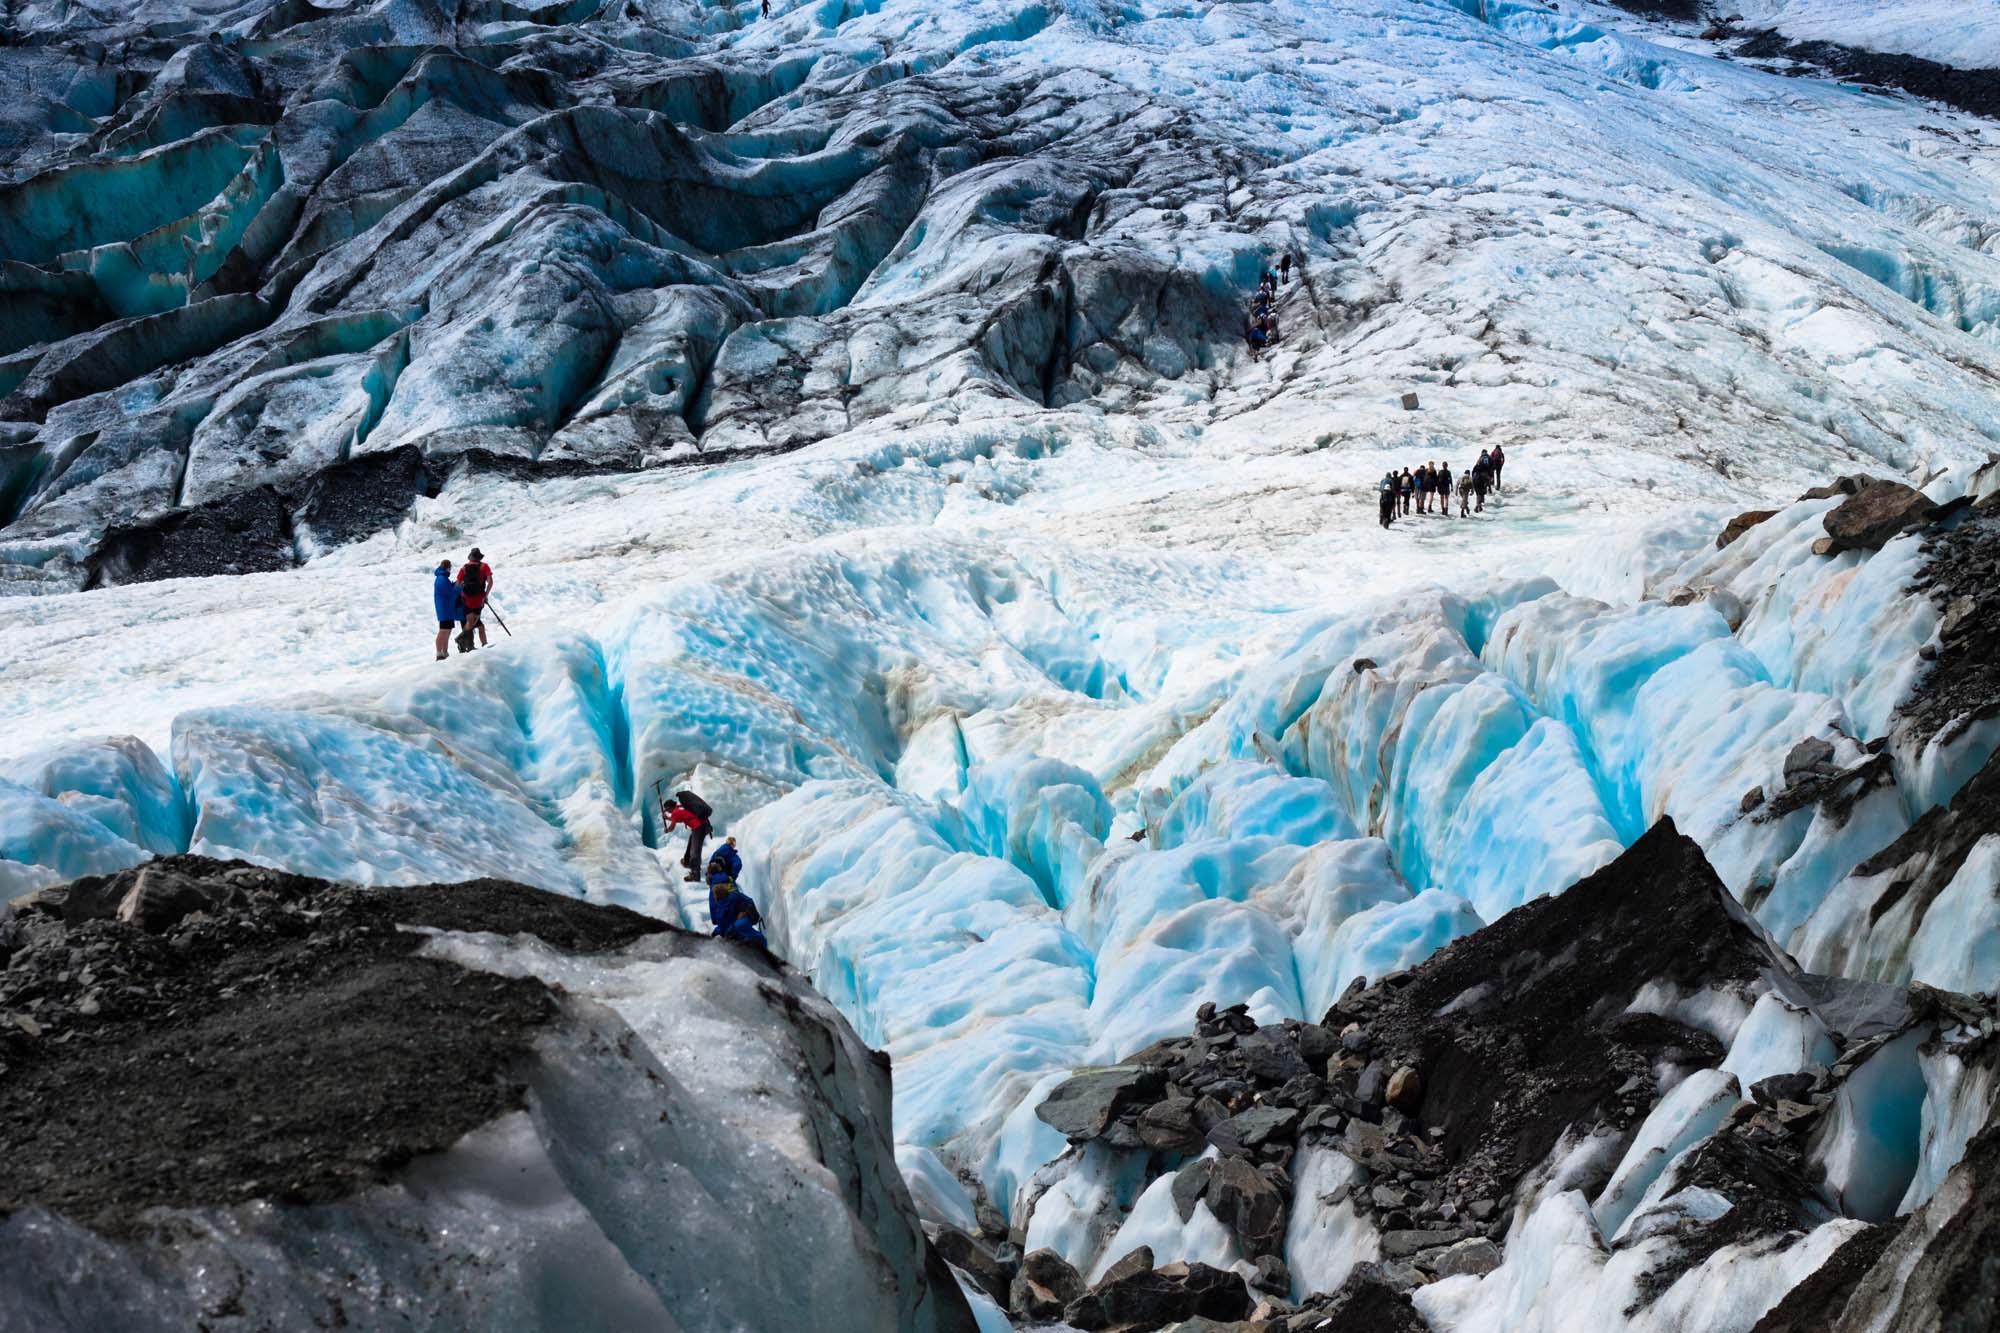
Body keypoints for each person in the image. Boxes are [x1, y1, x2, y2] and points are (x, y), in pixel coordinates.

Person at [663, 789, 714, 883]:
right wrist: (668, 818)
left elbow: (671, 827)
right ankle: (687, 862)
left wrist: (667, 830)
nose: (667, 812)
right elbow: (682, 818)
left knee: (695, 850)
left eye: (667, 810)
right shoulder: (680, 807)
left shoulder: (675, 812)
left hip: (699, 827)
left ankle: (695, 874)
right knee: (691, 843)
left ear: (670, 808)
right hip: (704, 825)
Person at [708, 867, 767, 947]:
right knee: (737, 929)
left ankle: (760, 945)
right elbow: (725, 923)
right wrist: (718, 931)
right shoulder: (723, 904)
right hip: (737, 928)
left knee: (740, 927)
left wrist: (729, 929)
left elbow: (728, 921)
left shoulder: (732, 899)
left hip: (742, 922)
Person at [455, 548, 494, 652]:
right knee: (474, 621)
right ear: (479, 557)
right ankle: (462, 639)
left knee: (469, 622)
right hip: (479, 599)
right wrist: (486, 595)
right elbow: (490, 582)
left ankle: (462, 640)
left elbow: (457, 584)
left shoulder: (464, 568)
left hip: (467, 599)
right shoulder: (484, 566)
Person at [432, 561, 464, 661]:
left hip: (447, 608)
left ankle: (444, 652)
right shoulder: (441, 579)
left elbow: (449, 590)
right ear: (448, 568)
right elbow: (450, 593)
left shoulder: (443, 578)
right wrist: (459, 588)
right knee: (443, 630)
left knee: (448, 630)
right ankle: (439, 653)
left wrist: (455, 585)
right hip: (444, 608)